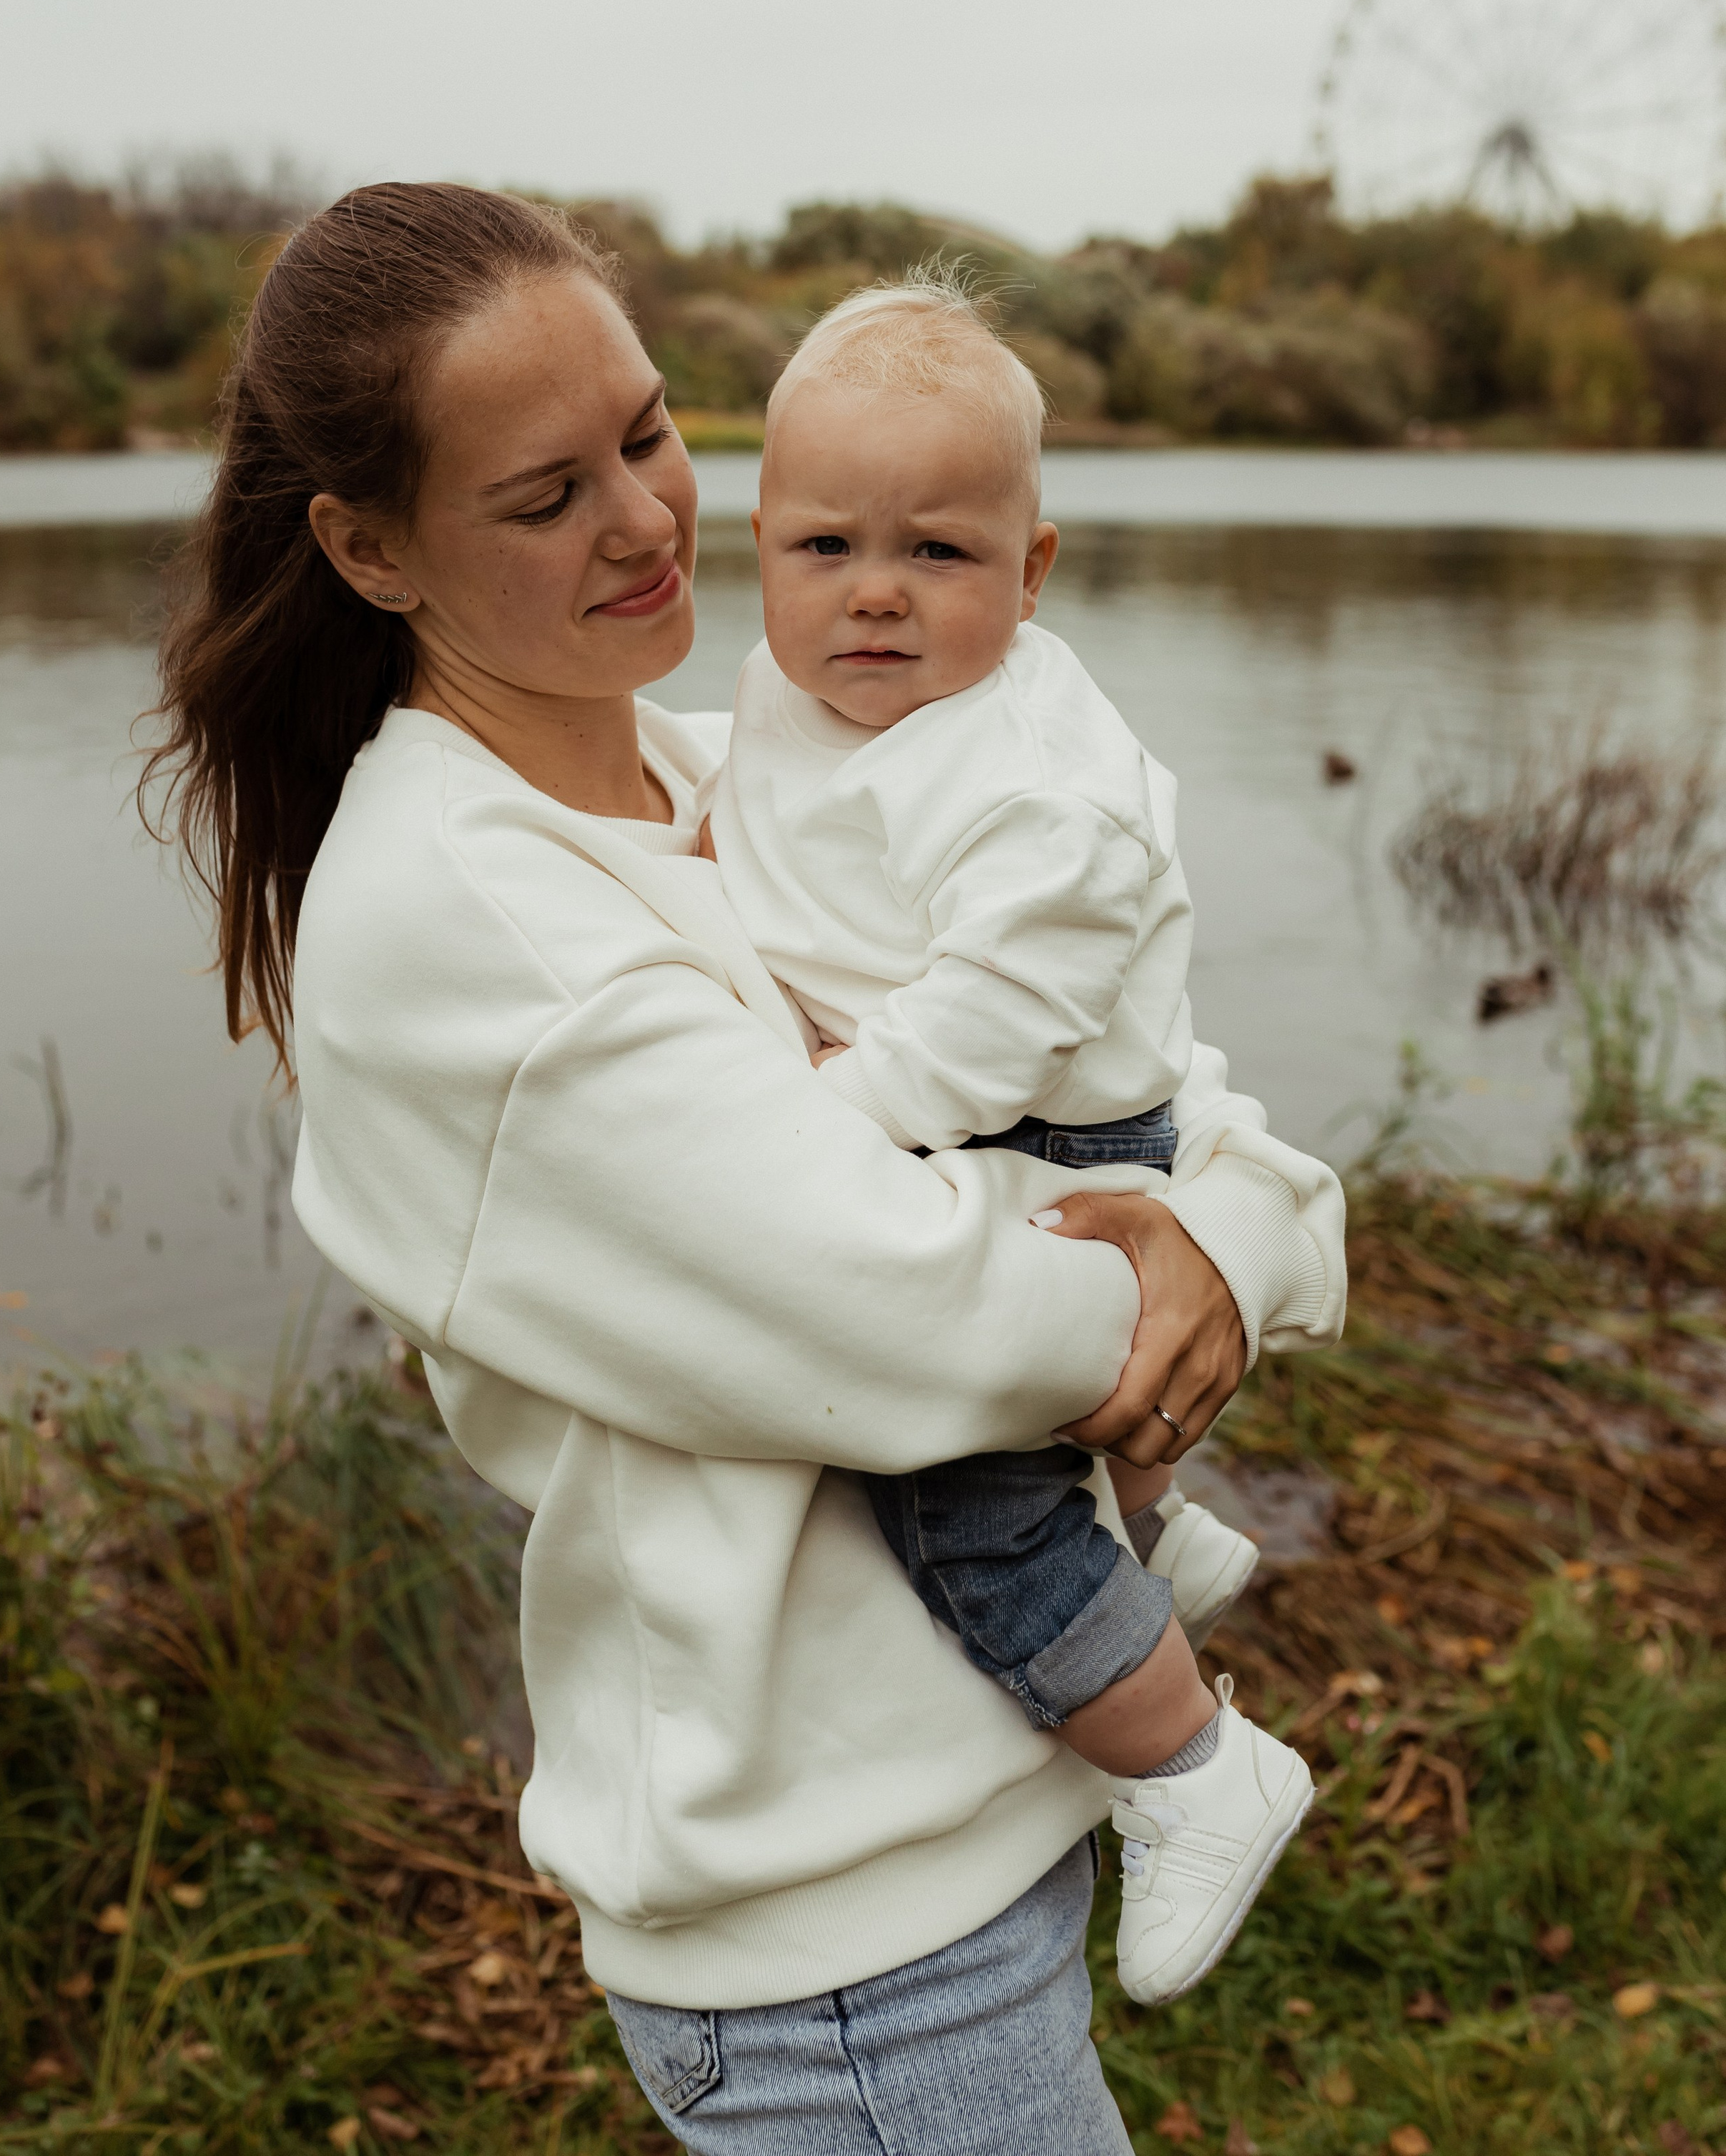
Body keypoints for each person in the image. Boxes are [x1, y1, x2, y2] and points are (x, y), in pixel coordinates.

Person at [144, 183, 1346, 2155]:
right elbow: (907, 1307)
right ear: (370, 549)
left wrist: (1235, 1218)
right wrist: (1195, 1266)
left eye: (647, 435)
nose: (642, 520)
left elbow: (1138, 1061)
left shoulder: (728, 771)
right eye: (545, 497)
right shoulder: (462, 919)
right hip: (840, 1948)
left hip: (975, 1819)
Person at [709, 272, 1319, 2004]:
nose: (874, 592)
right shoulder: (796, 696)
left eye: (938, 552)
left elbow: (995, 1018)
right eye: (824, 547)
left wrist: (829, 1116)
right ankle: (1148, 1531)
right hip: (980, 1101)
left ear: (1031, 570)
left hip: (1048, 1125)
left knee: (956, 1496)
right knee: (1009, 1440)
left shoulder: (1034, 783)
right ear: (759, 548)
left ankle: (1194, 1769)